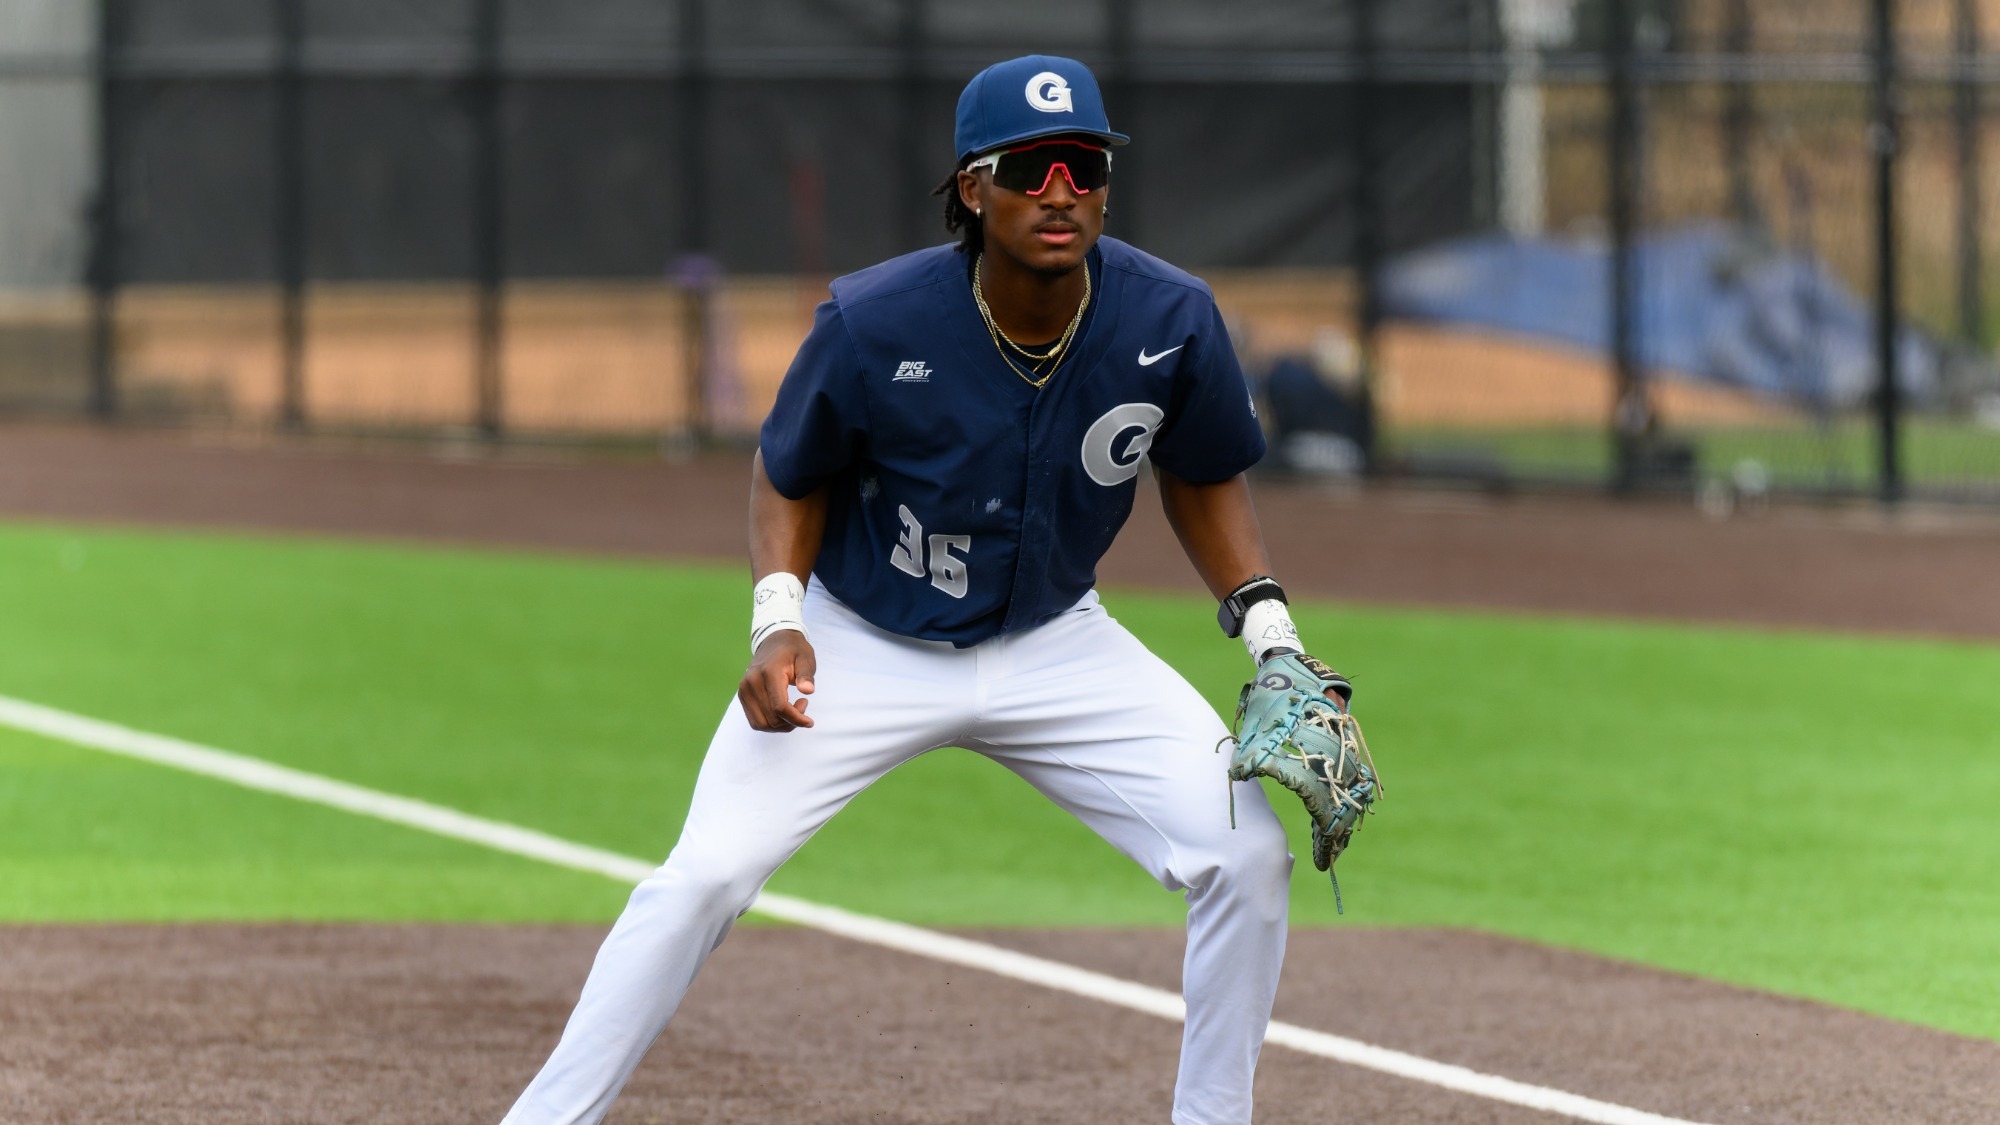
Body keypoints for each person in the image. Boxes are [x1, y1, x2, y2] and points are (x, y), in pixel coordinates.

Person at [502, 54, 1338, 1125]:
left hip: (1056, 644)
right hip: (864, 642)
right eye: (1029, 167)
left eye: (1081, 165)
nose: (1059, 191)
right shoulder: (873, 321)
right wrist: (779, 622)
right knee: (701, 880)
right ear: (970, 188)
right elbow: (787, 473)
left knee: (1245, 859)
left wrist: (1270, 634)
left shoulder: (1166, 316)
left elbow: (1203, 468)